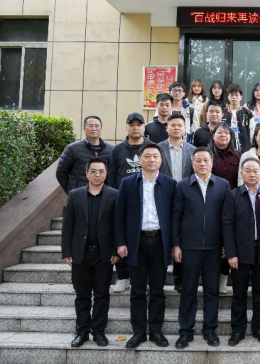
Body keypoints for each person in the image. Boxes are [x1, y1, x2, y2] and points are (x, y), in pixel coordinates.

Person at [114, 143, 176, 349]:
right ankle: (139, 332)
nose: (151, 159)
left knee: (158, 289)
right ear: (139, 160)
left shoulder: (170, 184)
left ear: (161, 160)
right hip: (136, 242)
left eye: (155, 156)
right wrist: (121, 242)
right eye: (147, 156)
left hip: (160, 241)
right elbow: (119, 215)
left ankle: (156, 331)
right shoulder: (128, 183)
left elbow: (175, 217)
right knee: (137, 290)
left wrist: (174, 244)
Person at [171, 147, 230, 349]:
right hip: (189, 247)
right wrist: (176, 244)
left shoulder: (222, 185)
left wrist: (226, 244)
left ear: (212, 163)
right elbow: (176, 216)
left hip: (214, 247)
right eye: (198, 160)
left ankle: (210, 330)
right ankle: (185, 332)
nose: (202, 164)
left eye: (206, 160)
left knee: (212, 291)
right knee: (188, 290)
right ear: (192, 163)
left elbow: (227, 218)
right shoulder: (182, 186)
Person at [62, 157, 119, 348]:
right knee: (82, 295)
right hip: (80, 254)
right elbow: (67, 225)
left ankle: (99, 331)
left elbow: (117, 225)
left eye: (101, 171)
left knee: (102, 294)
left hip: (104, 254)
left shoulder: (114, 195)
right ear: (86, 173)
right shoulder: (75, 195)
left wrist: (116, 250)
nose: (97, 175)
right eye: (93, 171)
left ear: (106, 174)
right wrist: (66, 251)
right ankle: (82, 331)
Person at [223, 157, 260, 346]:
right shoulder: (232, 195)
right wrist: (231, 253)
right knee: (239, 294)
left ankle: (259, 328)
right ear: (241, 173)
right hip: (240, 253)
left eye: (256, 171)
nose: (252, 174)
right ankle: (238, 330)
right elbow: (227, 225)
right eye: (248, 171)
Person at [107, 112, 153, 293]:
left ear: (144, 127)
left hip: (147, 201)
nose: (135, 128)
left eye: (139, 124)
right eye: (131, 124)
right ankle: (123, 277)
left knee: (144, 243)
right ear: (126, 127)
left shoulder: (151, 148)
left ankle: (144, 278)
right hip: (124, 202)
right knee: (122, 239)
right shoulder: (118, 150)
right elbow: (111, 177)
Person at [158, 113, 196, 293]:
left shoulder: (192, 150)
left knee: (182, 237)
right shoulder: (158, 149)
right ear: (167, 128)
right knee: (163, 236)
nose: (176, 128)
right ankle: (158, 277)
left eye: (180, 125)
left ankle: (179, 278)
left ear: (185, 129)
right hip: (163, 197)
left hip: (186, 199)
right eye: (172, 125)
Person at [210, 122, 241, 294]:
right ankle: (211, 275)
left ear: (231, 136)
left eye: (226, 133)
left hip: (232, 204)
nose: (223, 135)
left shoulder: (238, 156)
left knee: (228, 239)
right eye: (220, 132)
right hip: (211, 203)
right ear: (213, 135)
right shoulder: (207, 155)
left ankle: (223, 277)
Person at [56, 115, 114, 194]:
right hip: (79, 195)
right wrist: (71, 192)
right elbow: (61, 173)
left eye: (97, 126)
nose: (94, 128)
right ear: (84, 128)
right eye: (90, 126)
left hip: (103, 196)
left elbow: (113, 175)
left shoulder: (111, 150)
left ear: (101, 128)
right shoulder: (72, 148)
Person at [223, 83, 253, 153]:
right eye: (231, 95)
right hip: (227, 149)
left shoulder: (247, 113)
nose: (234, 97)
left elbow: (252, 132)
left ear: (241, 97)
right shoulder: (223, 113)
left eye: (236, 95)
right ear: (228, 97)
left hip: (244, 149)